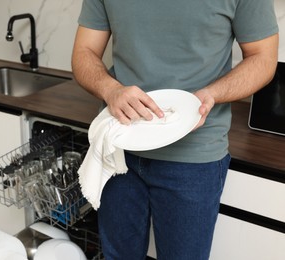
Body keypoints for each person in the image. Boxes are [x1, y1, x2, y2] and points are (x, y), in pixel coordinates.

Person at [72, 1, 279, 260]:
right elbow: (85, 50)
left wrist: (212, 94)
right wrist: (110, 89)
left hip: (192, 157)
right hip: (119, 146)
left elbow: (263, 57)